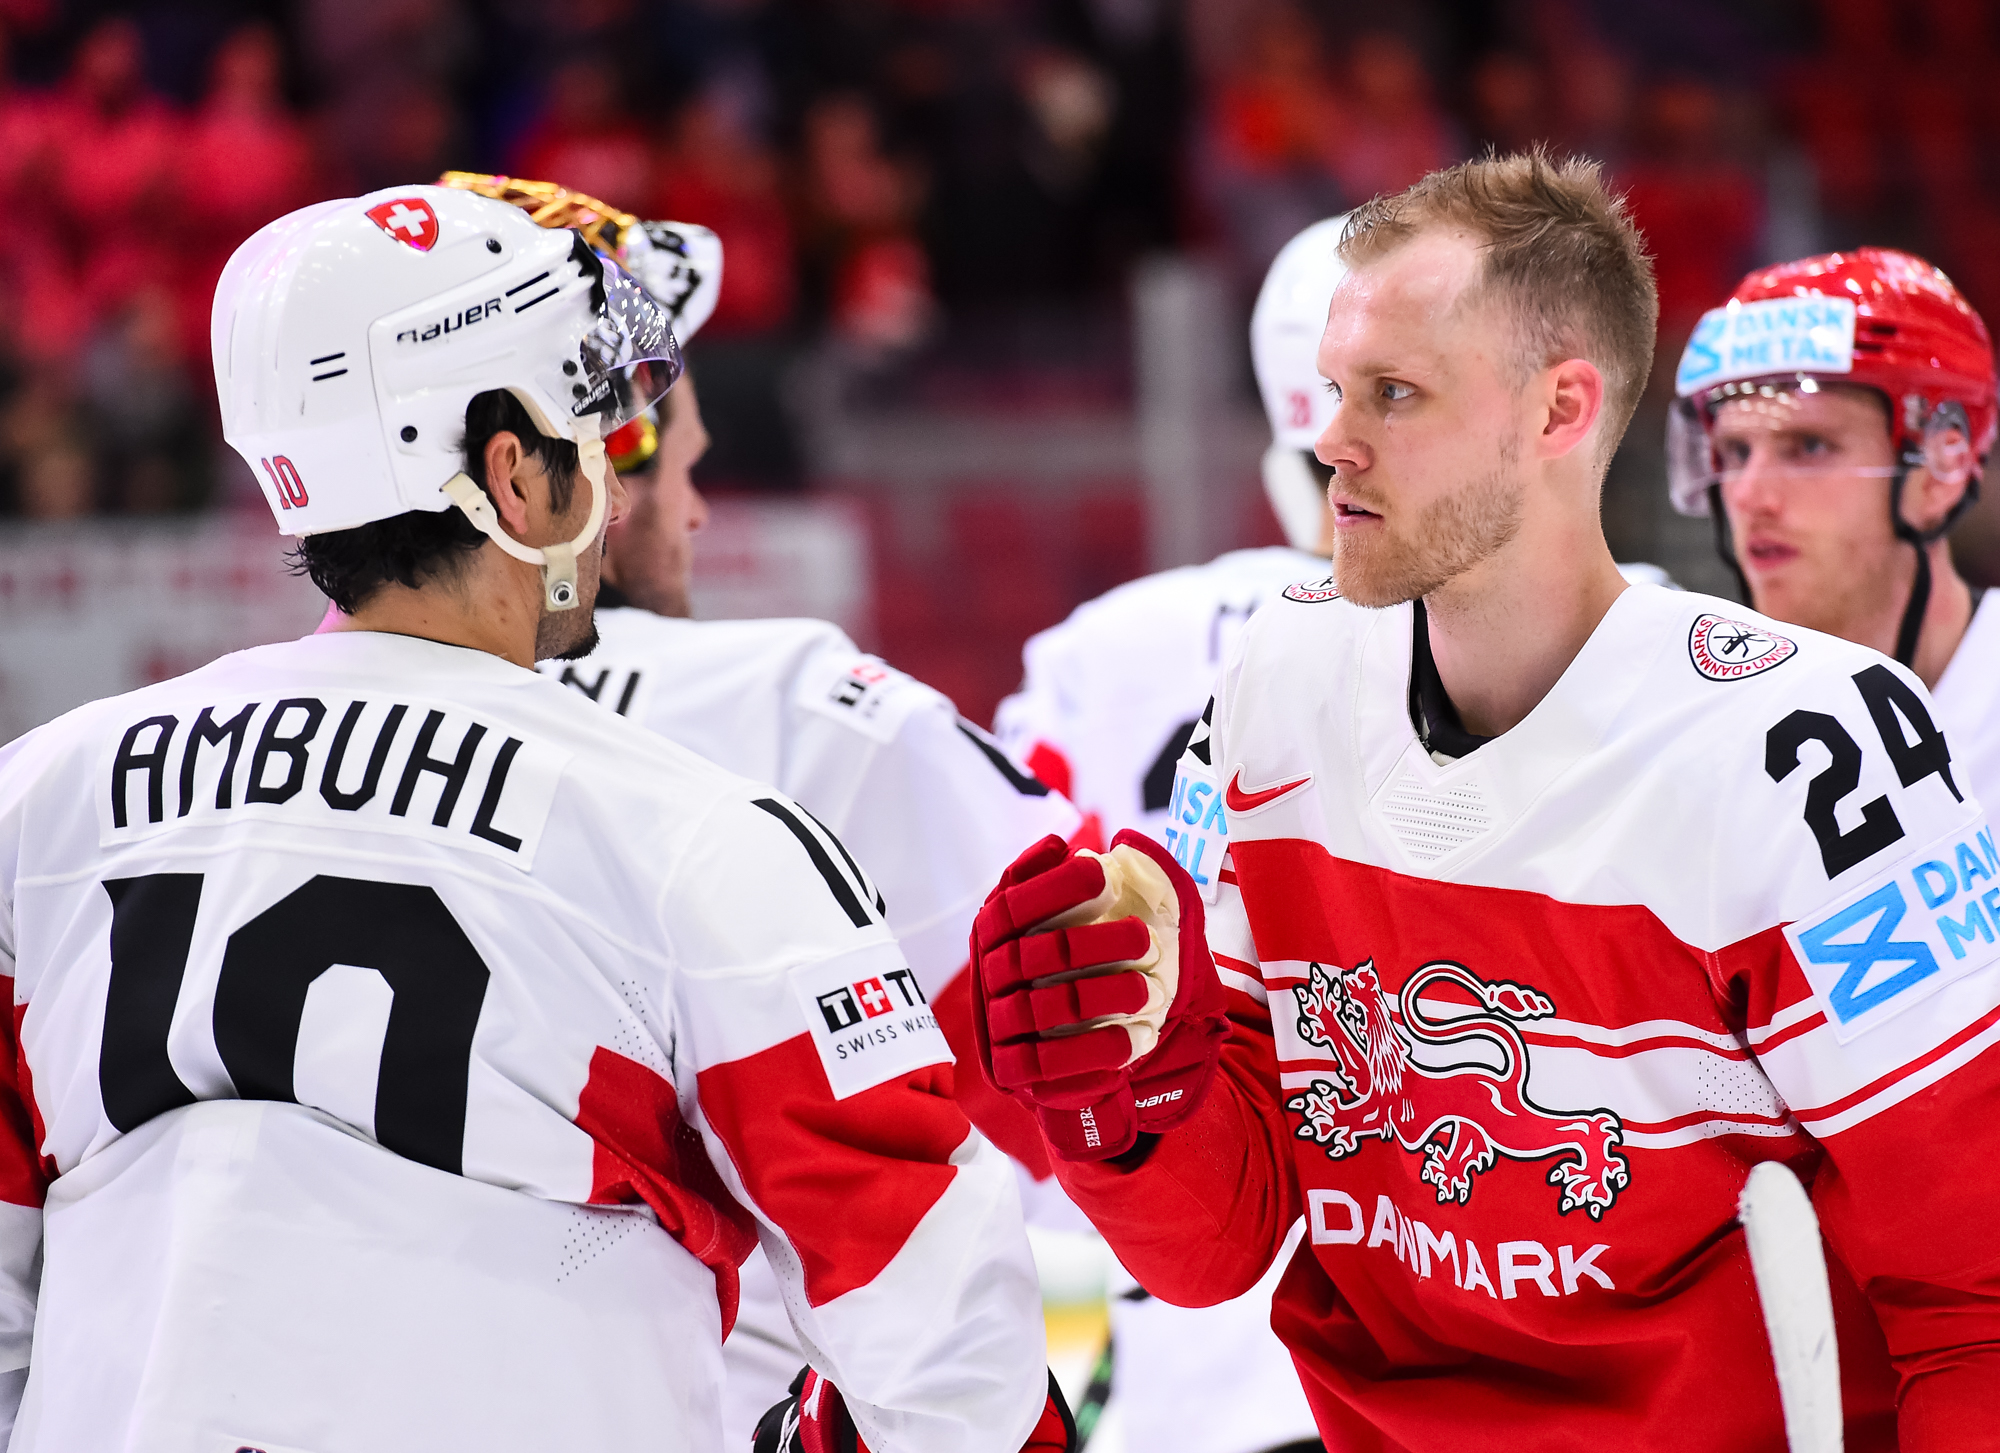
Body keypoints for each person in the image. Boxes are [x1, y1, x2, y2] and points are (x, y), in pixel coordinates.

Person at [0, 184, 1072, 1453]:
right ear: (510, 472)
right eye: (590, 431)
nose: (617, 490)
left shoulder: (37, 802)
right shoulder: (689, 834)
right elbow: (952, 1354)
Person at [964, 152, 2000, 1449]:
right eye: (1338, 389)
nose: (1331, 438)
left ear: (1560, 411)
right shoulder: (1276, 686)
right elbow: (1214, 1251)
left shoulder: (1814, 751)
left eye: (1393, 394)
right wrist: (1120, 1102)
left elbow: (1976, 1300)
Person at [457, 173, 1086, 1447]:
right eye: (674, 453)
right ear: (592, 459)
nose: (687, 507)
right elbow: (1084, 1058)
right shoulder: (805, 704)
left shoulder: (218, 755)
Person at [1667, 245, 2000, 813]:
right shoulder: (1687, 722)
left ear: (1941, 470)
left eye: (1809, 446)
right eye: (1734, 452)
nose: (1748, 495)